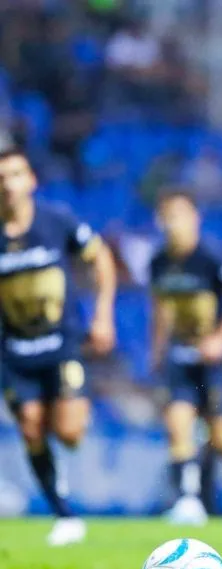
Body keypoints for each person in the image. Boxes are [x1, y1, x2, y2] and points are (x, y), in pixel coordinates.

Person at [0, 147, 117, 545]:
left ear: (31, 180)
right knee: (31, 427)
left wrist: (103, 315)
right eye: (1, 178)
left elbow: (100, 258)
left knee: (68, 432)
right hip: (14, 351)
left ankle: (67, 421)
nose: (8, 184)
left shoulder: (56, 221)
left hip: (61, 343)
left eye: (15, 174)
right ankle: (64, 514)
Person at [148, 188, 222, 525]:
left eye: (179, 215)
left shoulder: (213, 256)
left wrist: (221, 339)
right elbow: (160, 309)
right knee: (177, 424)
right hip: (179, 355)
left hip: (213, 359)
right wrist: (157, 352)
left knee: (220, 432)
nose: (172, 224)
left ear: (195, 218)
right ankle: (187, 500)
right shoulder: (159, 262)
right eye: (167, 217)